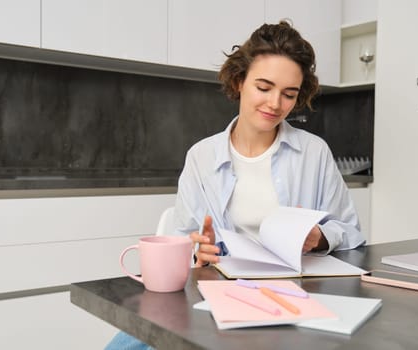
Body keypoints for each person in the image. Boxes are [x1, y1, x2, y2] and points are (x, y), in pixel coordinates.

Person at [105, 20, 364, 350]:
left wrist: (320, 236)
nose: (275, 104)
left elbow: (352, 232)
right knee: (125, 345)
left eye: (289, 94)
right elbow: (186, 240)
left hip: (293, 296)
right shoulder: (202, 156)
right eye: (264, 87)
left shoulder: (314, 153)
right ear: (240, 81)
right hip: (221, 292)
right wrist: (200, 250)